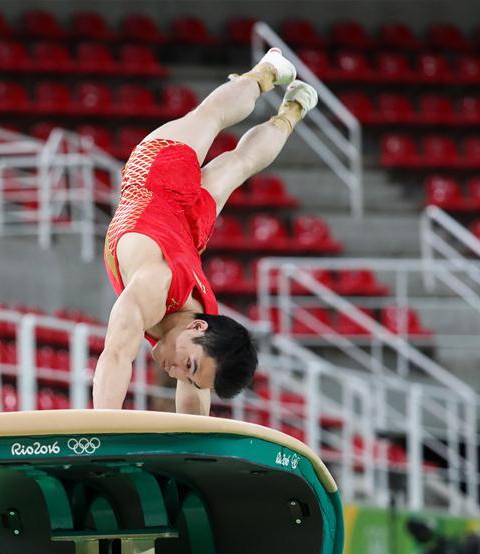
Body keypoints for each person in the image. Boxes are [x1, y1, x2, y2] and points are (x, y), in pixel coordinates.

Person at [94, 48, 318, 415]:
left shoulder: (203, 327)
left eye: (194, 377)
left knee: (242, 162)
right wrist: (96, 439)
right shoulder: (152, 285)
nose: (180, 373)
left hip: (188, 228)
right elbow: (117, 355)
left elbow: (194, 406)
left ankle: (295, 108)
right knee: (210, 117)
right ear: (198, 327)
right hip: (157, 180)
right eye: (191, 368)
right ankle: (266, 72)